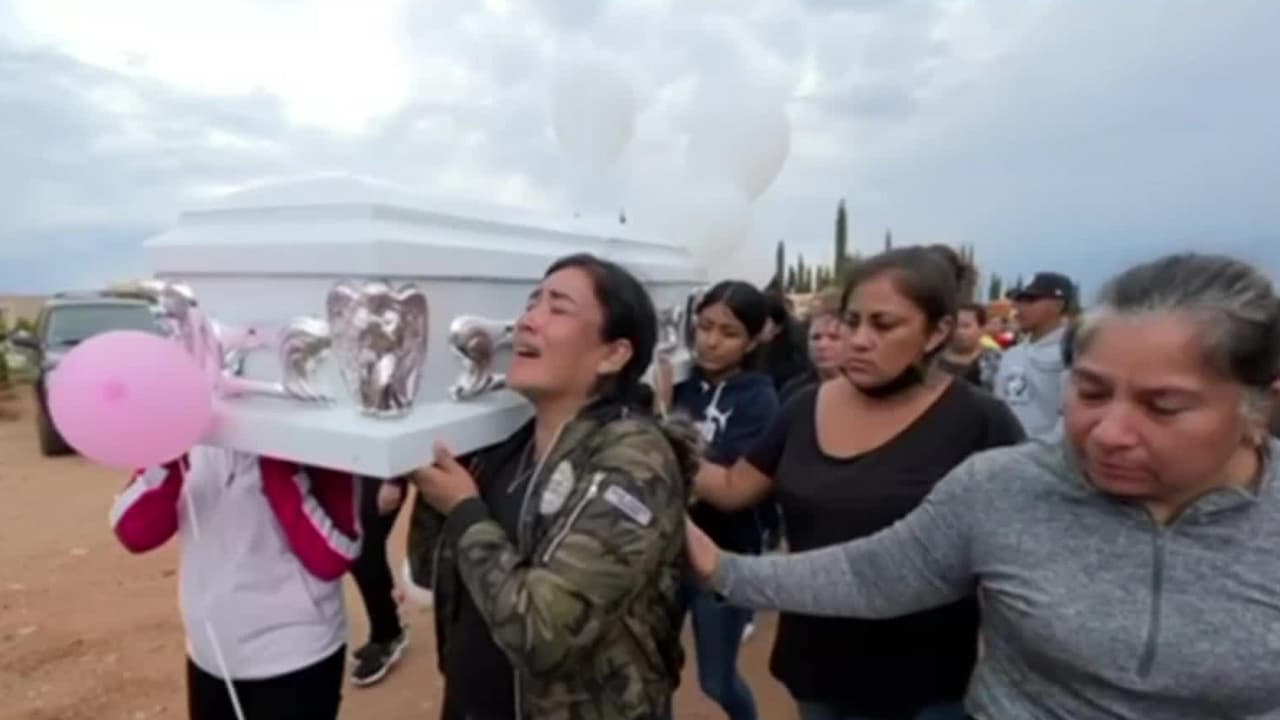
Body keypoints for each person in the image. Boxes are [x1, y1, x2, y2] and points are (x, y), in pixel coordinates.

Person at [687, 253, 1280, 720]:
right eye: (1091, 393)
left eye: (1164, 406)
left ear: (1261, 404)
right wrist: (721, 568)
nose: (1110, 433)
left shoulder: (980, 422)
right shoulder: (1003, 488)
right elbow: (873, 573)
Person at [692, 246, 1025, 720]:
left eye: (884, 325)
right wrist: (657, 446)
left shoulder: (981, 422)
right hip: (817, 670)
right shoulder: (804, 407)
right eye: (852, 322)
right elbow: (731, 488)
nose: (859, 340)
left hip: (926, 687)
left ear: (938, 332)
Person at [409, 253, 693, 720]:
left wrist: (463, 509)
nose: (527, 322)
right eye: (530, 303)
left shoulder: (635, 460)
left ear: (612, 354)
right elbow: (429, 573)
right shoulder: (503, 448)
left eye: (557, 308)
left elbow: (544, 634)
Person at [110, 449, 360, 720]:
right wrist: (170, 456)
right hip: (211, 652)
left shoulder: (309, 441)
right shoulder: (190, 434)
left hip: (295, 654)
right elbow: (134, 531)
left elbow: (334, 556)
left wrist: (276, 465)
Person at [655, 280, 778, 720]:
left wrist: (663, 426)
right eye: (705, 326)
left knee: (716, 680)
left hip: (724, 558)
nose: (710, 341)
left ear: (753, 339)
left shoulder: (759, 399)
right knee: (654, 671)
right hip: (664, 556)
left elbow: (728, 489)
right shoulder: (683, 383)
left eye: (728, 333)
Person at [348, 475, 410, 686]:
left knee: (364, 552)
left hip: (382, 471)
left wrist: (393, 480)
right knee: (363, 552)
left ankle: (387, 635)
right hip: (356, 468)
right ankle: (385, 630)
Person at [995, 271, 1073, 436]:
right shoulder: (1011, 355)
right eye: (1018, 300)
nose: (1019, 308)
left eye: (1030, 300)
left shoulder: (1074, 355)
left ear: (1058, 305)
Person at [780, 291, 850, 403]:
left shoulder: (868, 391)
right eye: (816, 338)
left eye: (834, 337)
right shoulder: (793, 392)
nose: (822, 345)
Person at [937, 303, 1001, 391]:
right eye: (955, 326)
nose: (959, 331)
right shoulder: (933, 357)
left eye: (966, 326)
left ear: (982, 328)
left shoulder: (995, 359)